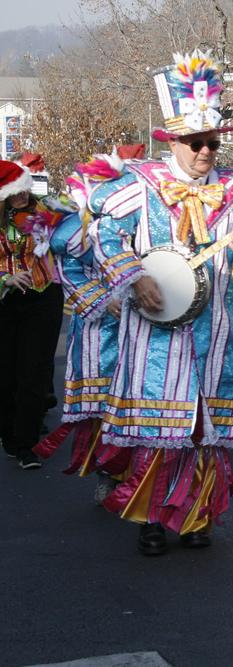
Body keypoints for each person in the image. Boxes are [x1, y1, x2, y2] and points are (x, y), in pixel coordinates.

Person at [88, 50, 233, 555]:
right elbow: (107, 239)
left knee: (206, 429)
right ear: (172, 142)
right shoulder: (140, 188)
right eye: (195, 143)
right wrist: (134, 278)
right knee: (158, 429)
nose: (205, 152)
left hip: (215, 331)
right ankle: (151, 518)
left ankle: (198, 514)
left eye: (213, 143)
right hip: (152, 333)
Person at [34, 156, 127, 500]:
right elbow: (71, 274)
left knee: (143, 402)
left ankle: (145, 474)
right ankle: (109, 472)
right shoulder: (72, 230)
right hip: (96, 333)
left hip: (143, 326)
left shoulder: (136, 218)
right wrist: (107, 301)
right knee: (102, 407)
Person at [0, 160, 65, 470]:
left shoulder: (44, 215)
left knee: (35, 372)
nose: (23, 195)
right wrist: (5, 278)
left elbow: (72, 226)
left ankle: (26, 444)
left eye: (25, 189)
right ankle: (10, 437)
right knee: (7, 374)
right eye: (15, 192)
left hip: (43, 298)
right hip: (6, 303)